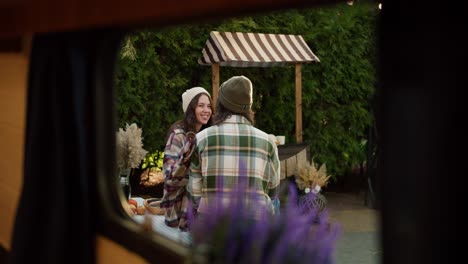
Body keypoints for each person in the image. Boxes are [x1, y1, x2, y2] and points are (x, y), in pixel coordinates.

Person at [187, 75, 281, 218]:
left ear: (220, 104)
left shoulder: (202, 138)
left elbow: (194, 192)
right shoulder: (268, 142)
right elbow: (274, 190)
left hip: (213, 226)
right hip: (255, 229)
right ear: (248, 107)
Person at [160, 87, 213, 231]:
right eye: (201, 105)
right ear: (191, 108)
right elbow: (169, 178)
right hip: (177, 215)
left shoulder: (204, 135)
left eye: (209, 106)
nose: (206, 110)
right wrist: (188, 154)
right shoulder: (178, 136)